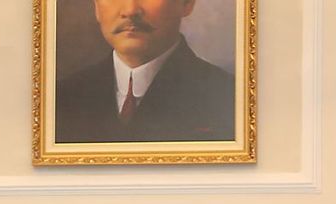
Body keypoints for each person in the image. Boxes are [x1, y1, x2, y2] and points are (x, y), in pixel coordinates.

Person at [55, 0, 235, 143]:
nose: (130, 10)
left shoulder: (229, 97)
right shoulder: (60, 98)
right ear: (96, 6)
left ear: (187, 3)